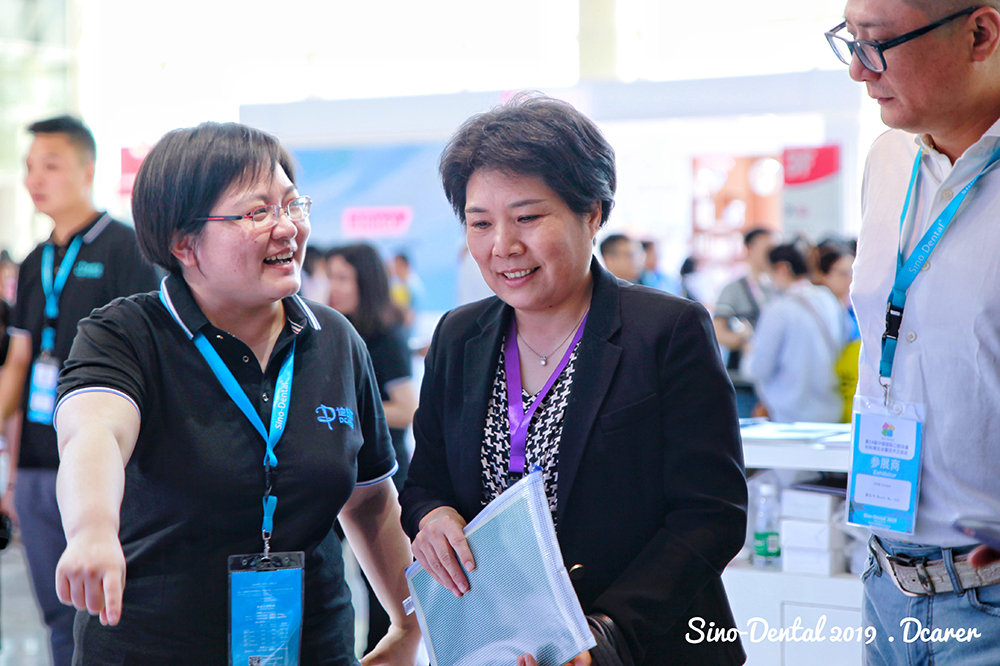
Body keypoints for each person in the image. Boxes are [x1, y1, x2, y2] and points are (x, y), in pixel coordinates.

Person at [51, 122, 420, 665]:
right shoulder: (126, 333)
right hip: (153, 648)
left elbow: (370, 500)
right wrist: (91, 529)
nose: (287, 227)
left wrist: (408, 624)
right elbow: (94, 432)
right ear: (185, 243)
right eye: (257, 212)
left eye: (292, 205)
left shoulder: (334, 339)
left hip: (311, 647)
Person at [399, 94, 747, 666]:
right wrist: (431, 516)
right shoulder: (459, 336)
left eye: (527, 218)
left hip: (642, 645)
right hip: (500, 646)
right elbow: (425, 481)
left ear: (592, 214)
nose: (503, 246)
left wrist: (604, 635)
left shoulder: (665, 331)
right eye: (480, 223)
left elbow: (712, 514)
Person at [826, 1, 1000, 661]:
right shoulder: (887, 158)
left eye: (876, 42)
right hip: (887, 578)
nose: (857, 69)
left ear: (979, 34)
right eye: (850, 39)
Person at [0, 115, 159, 666]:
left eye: (51, 164)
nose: (34, 178)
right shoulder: (33, 261)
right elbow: (19, 364)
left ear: (87, 170)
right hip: (37, 466)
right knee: (56, 615)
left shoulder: (125, 248)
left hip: (101, 466)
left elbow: (148, 361)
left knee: (108, 617)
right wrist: (11, 472)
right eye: (28, 167)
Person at [326, 242, 418, 653]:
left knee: (384, 586)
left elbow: (407, 409)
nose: (333, 287)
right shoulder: (326, 335)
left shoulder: (386, 337)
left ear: (366, 282)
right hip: (333, 474)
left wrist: (343, 411)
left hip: (380, 476)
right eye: (330, 277)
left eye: (342, 278)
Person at [746, 242, 846, 423]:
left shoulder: (779, 309)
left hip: (789, 415)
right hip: (832, 410)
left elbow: (759, 368)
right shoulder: (829, 300)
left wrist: (747, 347)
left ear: (782, 268)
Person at [816, 242, 860, 423]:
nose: (850, 280)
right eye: (843, 273)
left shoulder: (855, 309)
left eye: (853, 273)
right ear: (822, 275)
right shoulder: (820, 312)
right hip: (828, 394)